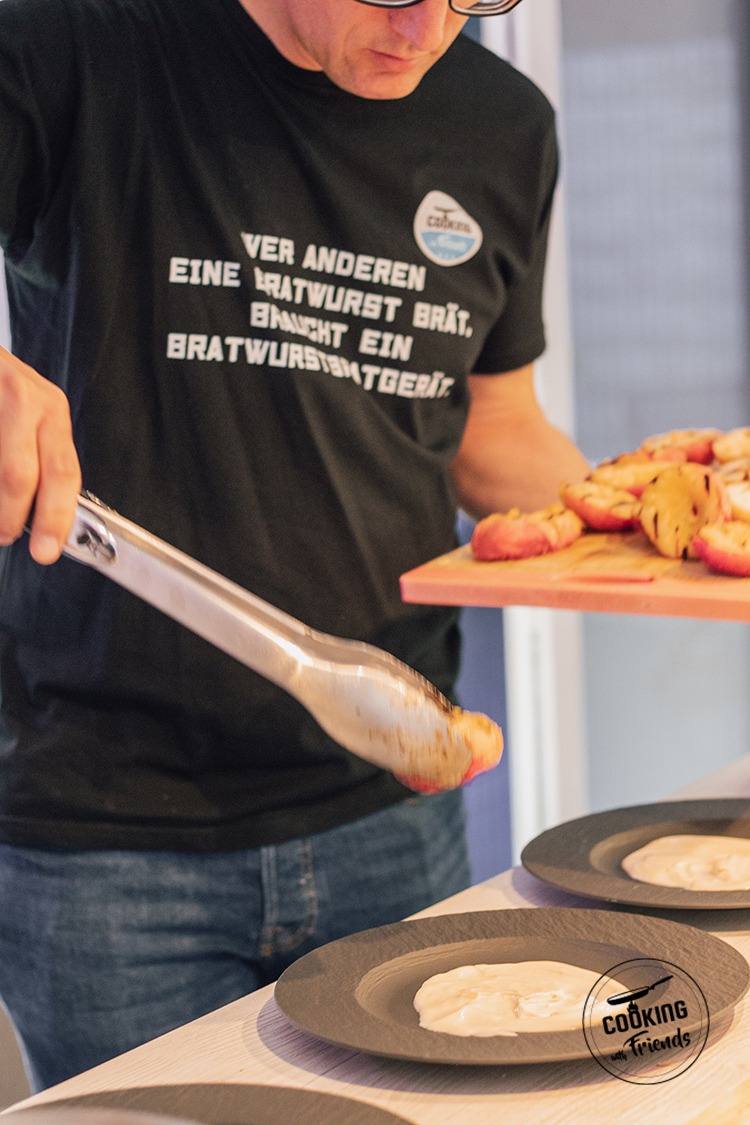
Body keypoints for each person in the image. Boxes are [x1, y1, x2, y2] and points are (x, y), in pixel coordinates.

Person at [0, 0, 591, 1093]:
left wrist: (653, 514)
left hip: (389, 802)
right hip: (106, 837)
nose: (429, 29)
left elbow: (494, 425)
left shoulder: (503, 124)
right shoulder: (75, 37)